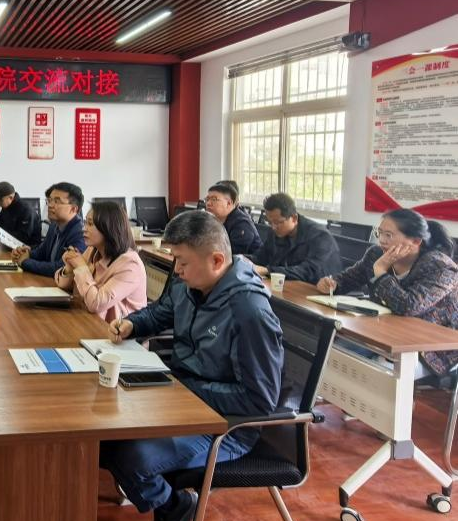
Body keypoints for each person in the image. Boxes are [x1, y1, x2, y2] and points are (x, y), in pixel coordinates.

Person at [101, 211, 283, 521]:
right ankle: (174, 504)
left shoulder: (249, 311)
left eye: (183, 262)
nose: (177, 270)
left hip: (226, 426)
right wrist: (133, 324)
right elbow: (160, 313)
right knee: (103, 438)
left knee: (132, 457)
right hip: (184, 402)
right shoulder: (189, 286)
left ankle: (177, 509)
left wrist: (184, 390)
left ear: (216, 260)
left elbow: (258, 400)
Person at [316, 208, 457, 377]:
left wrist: (381, 272)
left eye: (389, 235)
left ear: (416, 241)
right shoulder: (376, 254)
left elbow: (408, 306)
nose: (381, 240)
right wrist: (332, 284)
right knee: (333, 355)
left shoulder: (440, 267)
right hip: (383, 335)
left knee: (377, 372)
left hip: (430, 350)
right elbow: (347, 279)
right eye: (380, 233)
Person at [54, 201, 146, 321]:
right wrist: (69, 268)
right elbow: (62, 285)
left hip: (116, 330)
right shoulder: (93, 250)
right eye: (85, 222)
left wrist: (81, 268)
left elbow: (96, 304)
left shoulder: (130, 265)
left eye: (90, 224)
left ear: (108, 228)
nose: (84, 229)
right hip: (89, 320)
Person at [247, 192, 342, 283]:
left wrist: (268, 271)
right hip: (286, 285)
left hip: (316, 289)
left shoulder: (320, 237)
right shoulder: (276, 232)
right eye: (270, 222)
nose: (273, 227)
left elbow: (308, 271)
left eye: (278, 222)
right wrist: (243, 260)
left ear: (294, 218)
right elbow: (261, 257)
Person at [10, 182, 86, 277]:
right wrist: (25, 254)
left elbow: (61, 269)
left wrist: (25, 262)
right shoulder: (54, 225)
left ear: (74, 209)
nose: (50, 205)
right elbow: (42, 253)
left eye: (57, 201)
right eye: (49, 200)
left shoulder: (80, 234)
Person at [204, 181, 261, 256]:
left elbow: (231, 256)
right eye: (207, 199)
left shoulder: (241, 224)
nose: (208, 203)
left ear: (229, 203)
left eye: (214, 199)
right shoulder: (213, 220)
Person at [0, 181, 41, 246]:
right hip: (9, 245)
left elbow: (23, 237)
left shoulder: (26, 210)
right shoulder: (6, 206)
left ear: (11, 197)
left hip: (28, 248)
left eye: (0, 201)